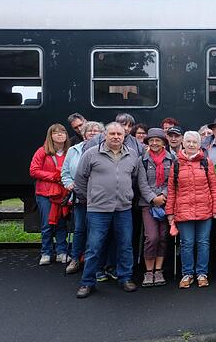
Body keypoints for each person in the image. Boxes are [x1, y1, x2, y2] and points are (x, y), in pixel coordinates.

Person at [74, 122, 156, 298]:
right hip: (97, 210)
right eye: (112, 133)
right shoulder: (91, 154)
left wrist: (127, 195)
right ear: (105, 135)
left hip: (123, 209)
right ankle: (87, 282)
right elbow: (80, 179)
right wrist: (88, 198)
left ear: (124, 136)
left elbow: (136, 178)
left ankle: (125, 278)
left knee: (125, 245)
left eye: (119, 134)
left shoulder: (132, 155)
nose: (116, 137)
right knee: (94, 247)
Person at [165, 131, 216, 289]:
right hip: (183, 211)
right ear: (183, 143)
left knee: (203, 243)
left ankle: (202, 273)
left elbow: (213, 187)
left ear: (199, 144)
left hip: (205, 209)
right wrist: (170, 213)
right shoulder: (176, 164)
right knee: (186, 243)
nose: (191, 145)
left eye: (194, 142)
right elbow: (171, 191)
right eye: (188, 141)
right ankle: (187, 274)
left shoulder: (206, 162)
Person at [61, 121, 105, 274]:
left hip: (99, 198)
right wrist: (69, 184)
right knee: (79, 228)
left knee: (96, 230)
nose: (92, 133)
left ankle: (93, 260)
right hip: (80, 197)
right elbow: (65, 172)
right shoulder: (74, 150)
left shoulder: (105, 150)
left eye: (96, 130)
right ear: (83, 133)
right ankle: (75, 258)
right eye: (89, 130)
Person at [138, 128, 175, 287]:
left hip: (166, 202)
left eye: (157, 140)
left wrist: (163, 196)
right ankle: (148, 271)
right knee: (151, 237)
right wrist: (154, 198)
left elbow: (172, 181)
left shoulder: (171, 159)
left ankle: (158, 271)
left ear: (163, 142)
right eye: (151, 140)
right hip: (148, 204)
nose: (154, 143)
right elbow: (142, 183)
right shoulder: (143, 160)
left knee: (163, 237)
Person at [29, 123, 71, 266]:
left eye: (63, 132)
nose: (60, 134)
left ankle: (61, 252)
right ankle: (46, 252)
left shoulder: (69, 152)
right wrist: (54, 176)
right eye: (56, 132)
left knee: (61, 223)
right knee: (47, 224)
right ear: (50, 136)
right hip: (45, 193)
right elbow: (33, 171)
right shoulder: (42, 151)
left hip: (63, 194)